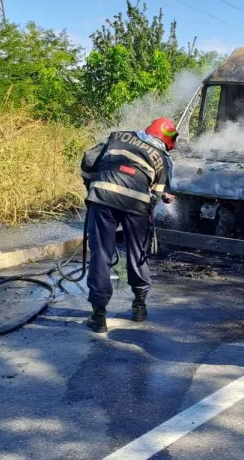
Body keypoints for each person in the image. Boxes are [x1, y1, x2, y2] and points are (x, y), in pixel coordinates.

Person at [78, 118, 177, 333]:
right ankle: (139, 307)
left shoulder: (118, 136)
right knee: (137, 252)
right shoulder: (162, 157)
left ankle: (99, 316)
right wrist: (155, 200)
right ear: (167, 140)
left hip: (102, 198)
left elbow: (88, 162)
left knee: (100, 255)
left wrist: (93, 187)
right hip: (136, 205)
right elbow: (158, 195)